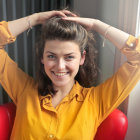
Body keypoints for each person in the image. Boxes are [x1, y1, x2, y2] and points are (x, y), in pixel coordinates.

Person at [0, 10, 140, 140]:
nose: (60, 66)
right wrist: (35, 18)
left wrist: (95, 24)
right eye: (51, 56)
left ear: (82, 58)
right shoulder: (23, 89)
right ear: (42, 57)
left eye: (69, 57)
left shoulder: (96, 101)